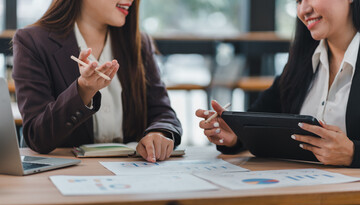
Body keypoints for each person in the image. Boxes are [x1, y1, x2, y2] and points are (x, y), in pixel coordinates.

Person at [12, 0, 182, 163]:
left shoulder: (139, 43)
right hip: (63, 179)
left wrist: (159, 133)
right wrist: (83, 90)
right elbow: (37, 136)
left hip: (130, 176)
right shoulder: (32, 42)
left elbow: (163, 113)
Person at [196, 0, 360, 167]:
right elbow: (260, 119)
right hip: (305, 186)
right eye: (298, 1)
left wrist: (353, 153)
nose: (304, 10)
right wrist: (236, 134)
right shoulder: (302, 62)